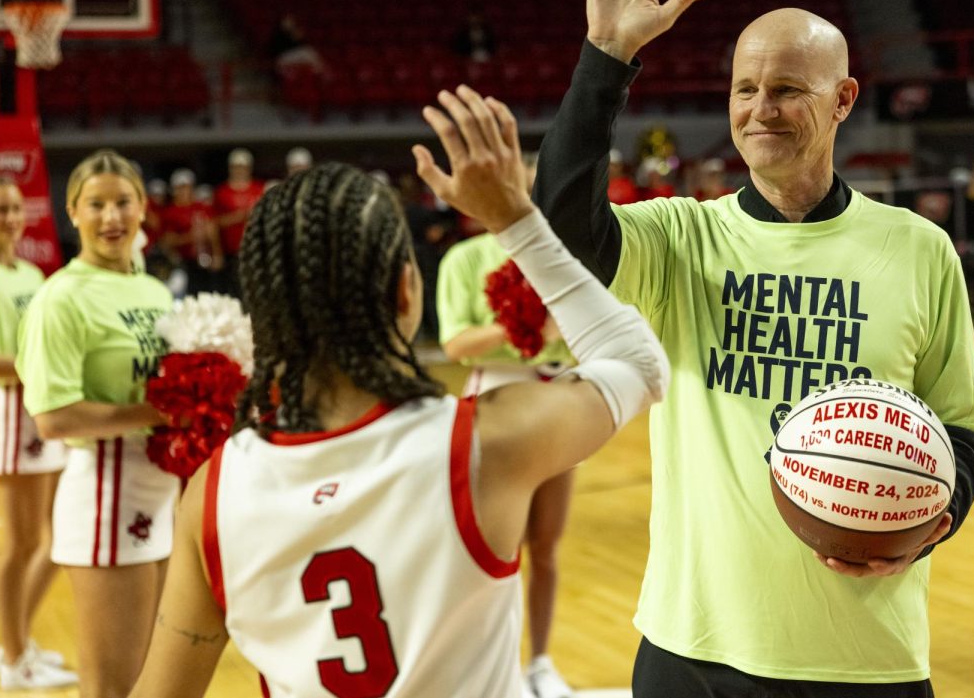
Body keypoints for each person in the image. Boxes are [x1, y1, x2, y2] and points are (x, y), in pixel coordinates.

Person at [533, 0, 974, 696]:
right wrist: (606, 58)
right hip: (693, 647)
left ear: (844, 98)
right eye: (745, 89)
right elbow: (563, 226)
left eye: (787, 89)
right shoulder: (681, 237)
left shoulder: (918, 248)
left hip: (864, 653)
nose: (760, 109)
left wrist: (919, 533)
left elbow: (962, 432)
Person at [125, 88, 669, 698]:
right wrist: (519, 223)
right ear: (406, 293)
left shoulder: (212, 494)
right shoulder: (483, 444)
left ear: (266, 312)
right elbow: (639, 361)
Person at [15, 150, 176, 698]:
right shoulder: (61, 297)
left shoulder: (154, 291)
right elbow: (54, 418)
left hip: (160, 488)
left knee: (152, 677)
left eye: (123, 202)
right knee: (113, 685)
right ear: (72, 212)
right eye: (96, 204)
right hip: (108, 488)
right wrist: (159, 413)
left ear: (142, 208)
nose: (112, 217)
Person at [436, 153, 577, 698]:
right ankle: (492, 665)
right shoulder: (464, 258)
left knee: (546, 546)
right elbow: (454, 344)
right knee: (496, 549)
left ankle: (540, 662)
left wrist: (547, 332)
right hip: (492, 410)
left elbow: (577, 332)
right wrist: (514, 326)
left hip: (557, 403)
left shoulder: (558, 255)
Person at [0, 176, 77, 690]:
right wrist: (37, 364)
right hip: (12, 412)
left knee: (56, 538)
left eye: (16, 208)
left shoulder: (30, 273)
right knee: (21, 545)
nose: (12, 218)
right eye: (1, 209)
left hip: (45, 407)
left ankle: (15, 643)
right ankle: (15, 657)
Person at [159, 168, 224, 296]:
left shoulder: (201, 207)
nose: (184, 191)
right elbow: (167, 242)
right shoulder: (170, 212)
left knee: (210, 295)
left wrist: (217, 253)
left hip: (204, 259)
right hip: (182, 262)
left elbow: (212, 231)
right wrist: (191, 237)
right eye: (180, 188)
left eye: (187, 187)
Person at [213, 148, 266, 295]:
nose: (240, 171)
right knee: (233, 292)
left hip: (255, 251)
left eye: (243, 167)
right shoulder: (222, 192)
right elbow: (215, 223)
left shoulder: (259, 189)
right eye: (236, 167)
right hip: (231, 252)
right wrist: (240, 216)